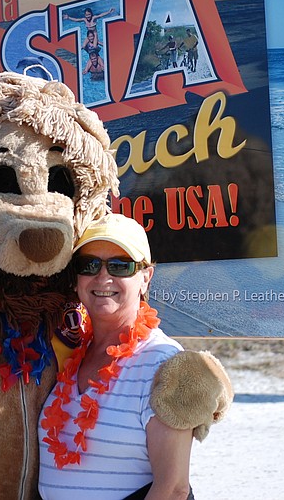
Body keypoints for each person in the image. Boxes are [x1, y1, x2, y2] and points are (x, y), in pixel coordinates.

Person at [38, 213, 193, 499]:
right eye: (90, 264)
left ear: (146, 277)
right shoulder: (68, 355)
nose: (103, 277)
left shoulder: (165, 363)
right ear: (75, 278)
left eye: (121, 266)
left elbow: (173, 489)